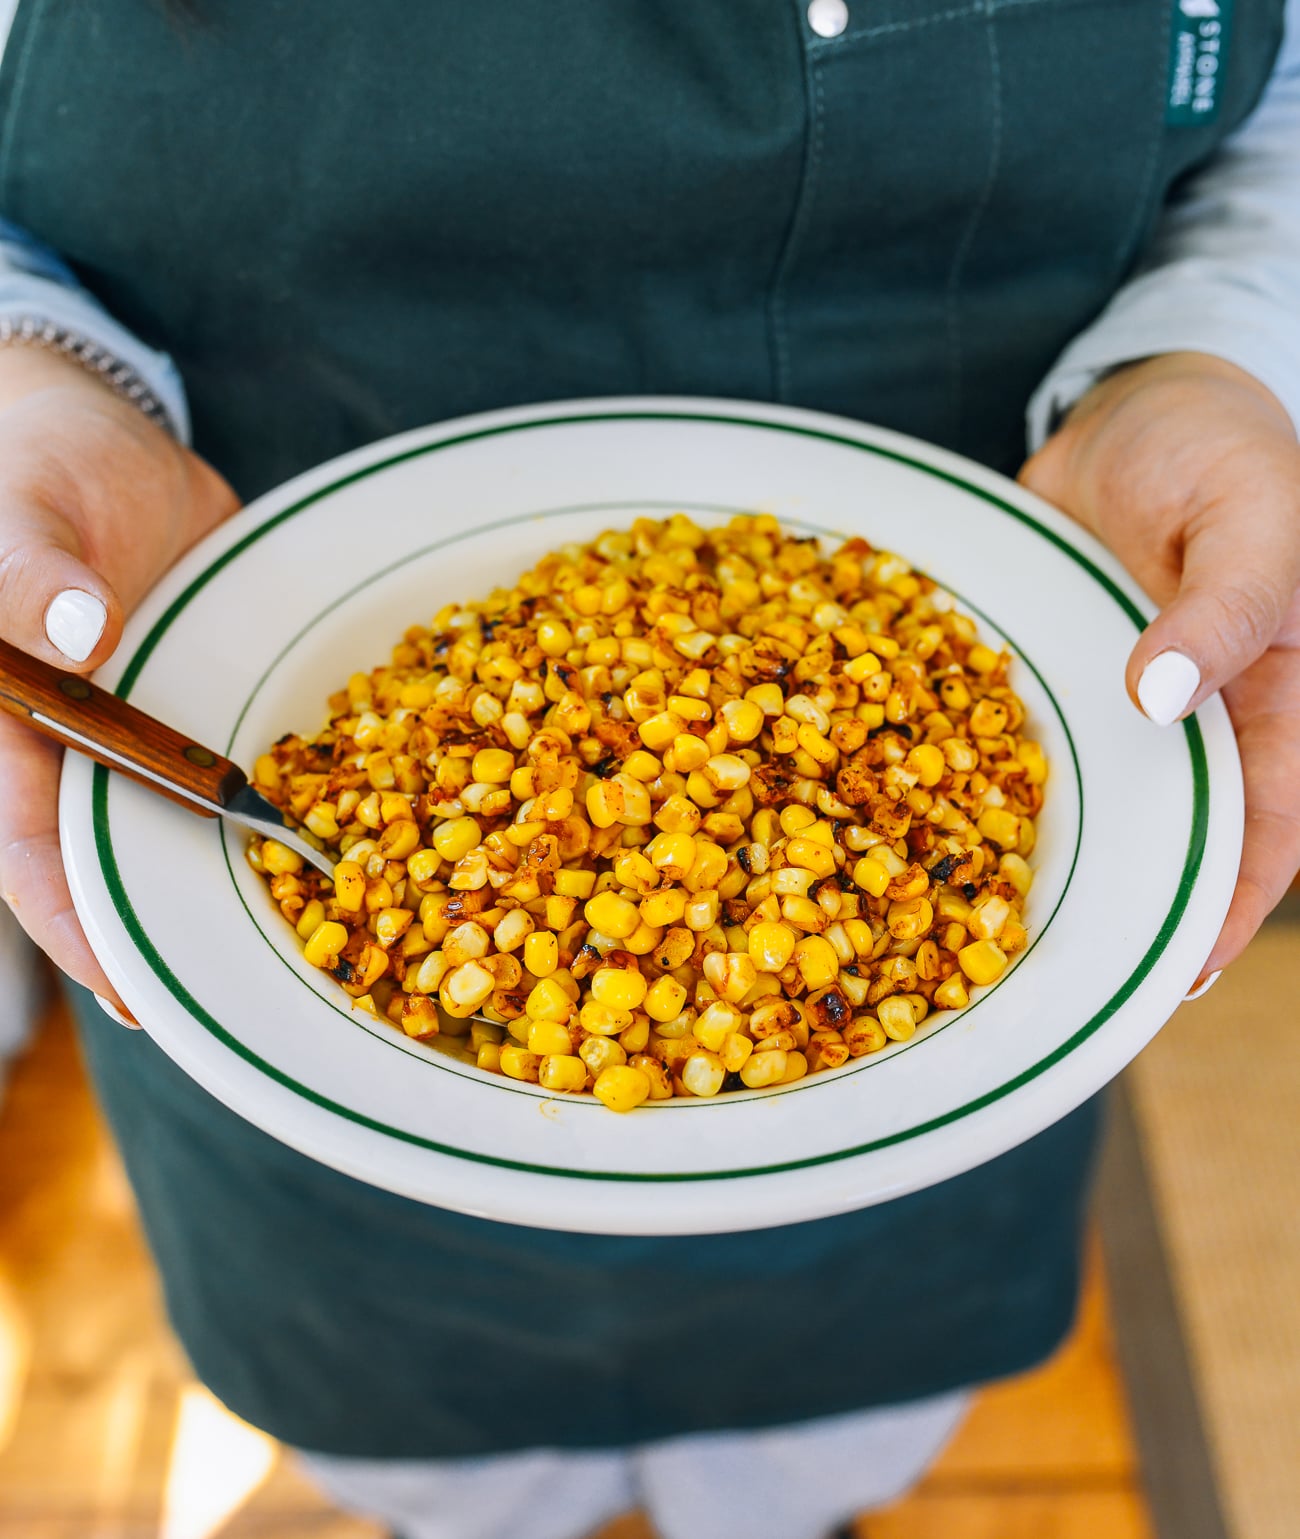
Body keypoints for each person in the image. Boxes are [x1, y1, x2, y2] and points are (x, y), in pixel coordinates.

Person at [0, 3, 1298, 1537]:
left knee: (822, 1456)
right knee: (440, 1473)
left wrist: (1217, 353)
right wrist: (33, 366)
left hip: (1025, 614)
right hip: (228, 617)